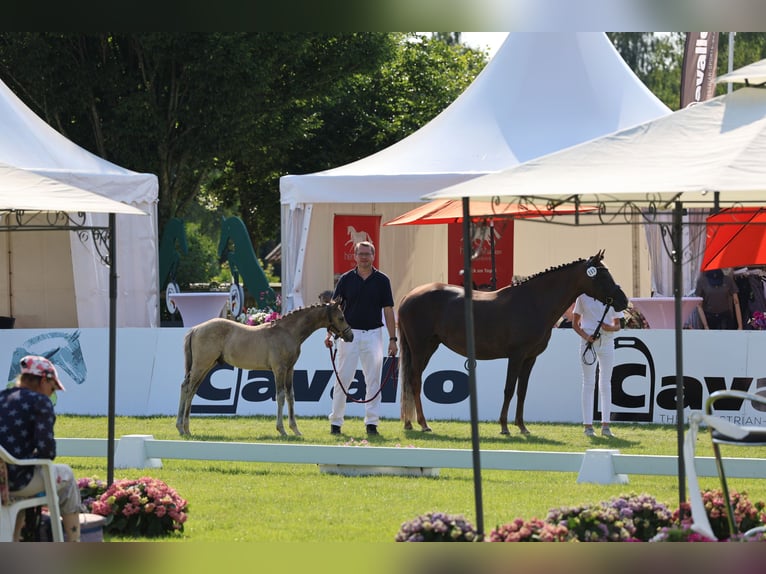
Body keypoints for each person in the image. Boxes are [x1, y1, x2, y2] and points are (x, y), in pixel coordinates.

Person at [0, 355, 81, 541]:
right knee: (66, 475)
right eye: (52, 388)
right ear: (44, 380)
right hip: (17, 481)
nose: (51, 394)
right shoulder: (40, 402)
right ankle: (75, 541)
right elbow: (47, 452)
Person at [324, 240, 397, 436]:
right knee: (342, 379)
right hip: (348, 335)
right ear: (355, 256)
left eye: (368, 254)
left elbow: (388, 310)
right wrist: (329, 333)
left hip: (374, 335)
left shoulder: (383, 280)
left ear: (373, 256)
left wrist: (393, 339)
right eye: (361, 254)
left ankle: (372, 423)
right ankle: (336, 423)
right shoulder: (346, 279)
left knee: (373, 381)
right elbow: (335, 309)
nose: (364, 257)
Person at [572, 294, 622, 438]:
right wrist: (587, 337)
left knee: (605, 384)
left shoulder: (612, 296)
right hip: (588, 343)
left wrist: (610, 328)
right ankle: (588, 426)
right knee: (588, 383)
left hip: (607, 343)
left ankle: (606, 425)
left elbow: (618, 325)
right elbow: (575, 324)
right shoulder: (582, 297)